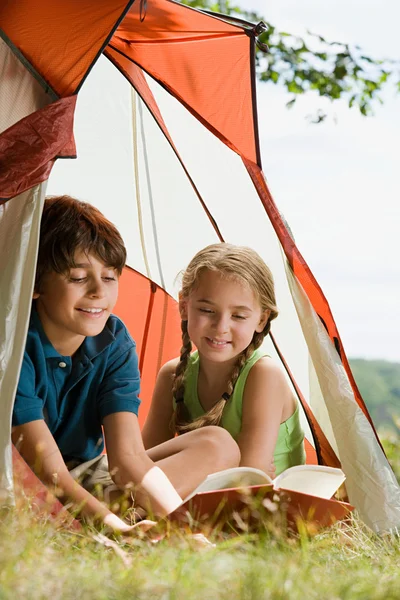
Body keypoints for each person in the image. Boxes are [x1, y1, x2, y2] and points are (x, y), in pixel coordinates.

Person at [12, 197, 240, 533]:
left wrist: (179, 526)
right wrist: (116, 528)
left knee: (217, 445)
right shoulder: (14, 345)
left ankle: (110, 520)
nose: (97, 292)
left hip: (87, 474)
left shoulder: (115, 342)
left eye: (109, 277)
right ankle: (102, 523)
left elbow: (129, 458)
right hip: (23, 479)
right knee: (30, 498)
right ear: (34, 284)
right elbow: (48, 471)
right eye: (78, 277)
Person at [142, 243, 306, 477]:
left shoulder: (263, 375)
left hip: (259, 507)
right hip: (197, 499)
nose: (221, 328)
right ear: (184, 307)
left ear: (261, 319)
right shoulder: (173, 375)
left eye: (238, 316)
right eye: (207, 311)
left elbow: (248, 482)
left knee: (216, 444)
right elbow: (142, 467)